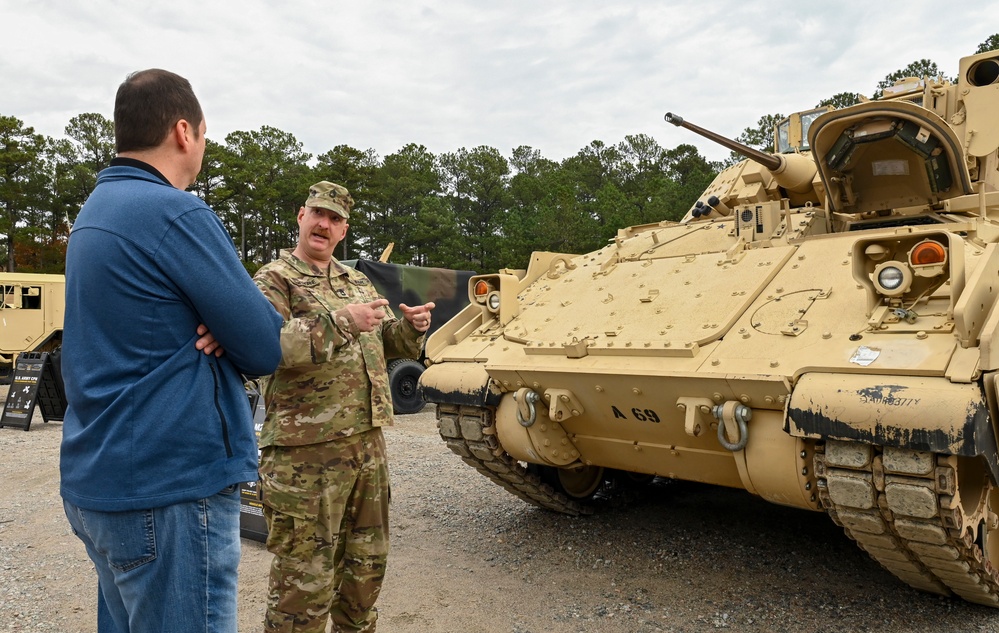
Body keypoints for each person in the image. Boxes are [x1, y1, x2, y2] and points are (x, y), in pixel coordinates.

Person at [60, 69, 284, 633]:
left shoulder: (94, 214)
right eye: (205, 135)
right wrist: (225, 323)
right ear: (184, 131)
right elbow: (263, 345)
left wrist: (216, 320)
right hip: (169, 492)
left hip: (104, 482)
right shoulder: (175, 212)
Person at [254, 181, 435, 633]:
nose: (324, 224)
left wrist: (411, 330)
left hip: (366, 450)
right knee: (303, 589)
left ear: (343, 230)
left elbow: (384, 340)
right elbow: (263, 346)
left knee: (364, 575)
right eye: (318, 213)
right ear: (301, 216)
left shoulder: (356, 280)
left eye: (334, 219)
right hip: (305, 457)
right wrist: (340, 321)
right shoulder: (275, 279)